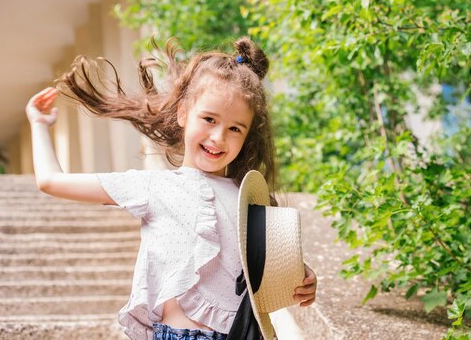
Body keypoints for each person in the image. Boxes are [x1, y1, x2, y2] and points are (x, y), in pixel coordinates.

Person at [25, 37, 317, 340]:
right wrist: (39, 125)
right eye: (208, 119)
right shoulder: (155, 186)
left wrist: (303, 279)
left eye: (234, 128)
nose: (218, 137)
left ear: (246, 136)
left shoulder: (249, 201)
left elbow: (269, 270)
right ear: (183, 114)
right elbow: (51, 181)